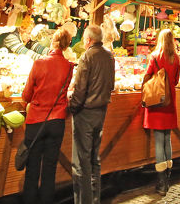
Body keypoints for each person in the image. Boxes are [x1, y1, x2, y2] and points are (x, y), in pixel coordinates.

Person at [21, 27, 75, 204]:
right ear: (67, 46)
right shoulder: (69, 67)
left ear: (53, 42)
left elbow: (26, 95)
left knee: (32, 167)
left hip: (36, 119)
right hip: (57, 121)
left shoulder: (39, 63)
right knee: (50, 168)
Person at [68, 24, 114, 204]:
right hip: (101, 112)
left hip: (85, 113)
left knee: (81, 162)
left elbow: (80, 89)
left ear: (88, 39)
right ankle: (95, 199)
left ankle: (83, 201)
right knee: (95, 158)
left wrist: (72, 106)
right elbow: (110, 85)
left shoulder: (87, 56)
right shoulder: (109, 56)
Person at [143, 28, 180, 194]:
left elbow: (147, 75)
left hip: (157, 100)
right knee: (167, 138)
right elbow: (176, 79)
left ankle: (162, 182)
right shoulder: (176, 58)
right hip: (169, 100)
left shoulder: (154, 56)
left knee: (159, 139)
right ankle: (168, 177)